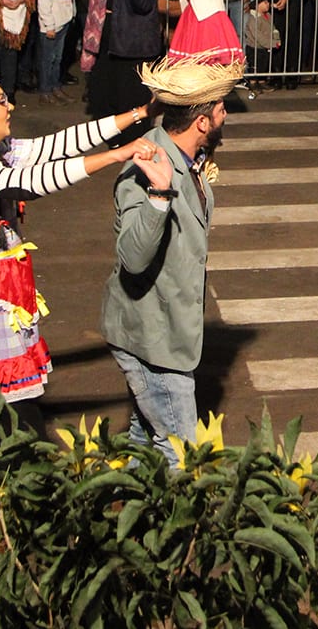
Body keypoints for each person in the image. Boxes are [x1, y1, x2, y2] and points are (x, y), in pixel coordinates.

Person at [0, 72, 153, 419]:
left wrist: (141, 113)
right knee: (0, 407)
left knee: (7, 408)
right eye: (0, 101)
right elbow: (29, 182)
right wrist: (116, 156)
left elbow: (60, 144)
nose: (9, 106)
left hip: (2, 286)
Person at [101, 55, 242, 460]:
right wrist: (160, 197)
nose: (225, 116)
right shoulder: (145, 169)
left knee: (145, 444)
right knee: (181, 453)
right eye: (220, 109)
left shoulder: (184, 157)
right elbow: (132, 256)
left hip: (167, 332)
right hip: (152, 340)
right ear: (202, 122)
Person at [82, 0, 162, 147]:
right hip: (106, 39)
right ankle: (115, 138)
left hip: (131, 43)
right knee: (105, 93)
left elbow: (145, 4)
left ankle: (134, 141)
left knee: (132, 95)